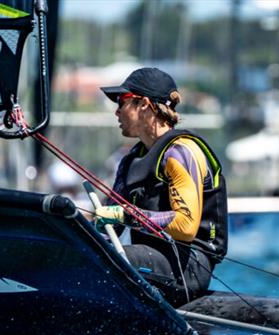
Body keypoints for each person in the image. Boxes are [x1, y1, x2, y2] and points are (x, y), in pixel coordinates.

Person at [95, 67, 227, 307]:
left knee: (108, 259)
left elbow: (186, 226)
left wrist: (127, 215)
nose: (116, 111)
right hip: (150, 260)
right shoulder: (130, 161)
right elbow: (107, 223)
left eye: (121, 101)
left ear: (144, 104)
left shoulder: (181, 152)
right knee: (89, 253)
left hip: (189, 267)